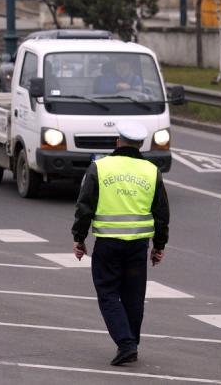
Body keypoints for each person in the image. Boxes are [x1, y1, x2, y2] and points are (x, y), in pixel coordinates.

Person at [71, 122, 170, 366]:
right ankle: (131, 343)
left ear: (118, 142)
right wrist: (159, 246)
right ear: (141, 145)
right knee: (134, 296)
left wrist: (79, 238)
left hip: (108, 245)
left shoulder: (100, 167)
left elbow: (85, 206)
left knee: (107, 293)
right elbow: (162, 213)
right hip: (138, 245)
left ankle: (126, 344)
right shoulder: (151, 171)